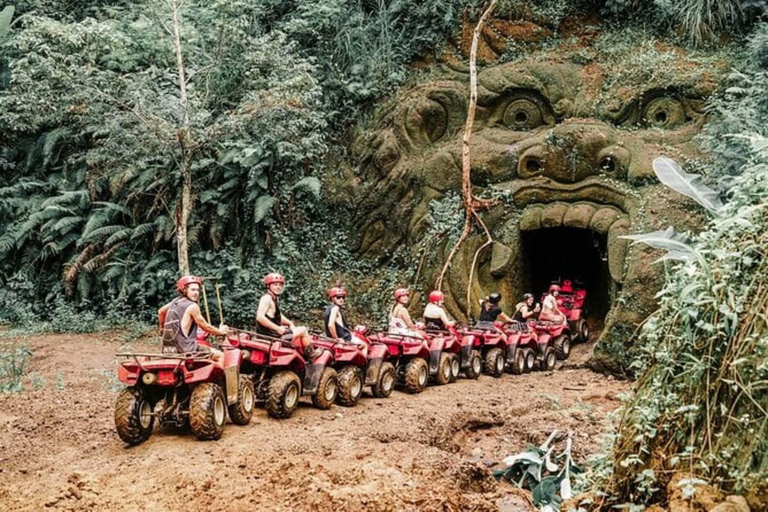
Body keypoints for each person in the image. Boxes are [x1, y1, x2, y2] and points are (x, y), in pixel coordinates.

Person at [158, 275, 229, 357]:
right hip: (186, 349)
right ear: (184, 290)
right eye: (193, 290)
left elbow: (160, 312)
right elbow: (206, 327)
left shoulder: (175, 302)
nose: (196, 293)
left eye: (198, 290)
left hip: (168, 350)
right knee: (221, 356)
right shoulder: (192, 306)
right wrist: (221, 331)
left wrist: (162, 327)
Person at [256, 272, 320, 360]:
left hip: (271, 334)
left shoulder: (273, 298)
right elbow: (259, 317)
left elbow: (278, 316)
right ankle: (311, 354)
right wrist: (277, 328)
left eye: (280, 285)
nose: (278, 287)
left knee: (293, 329)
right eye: (275, 285)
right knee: (303, 330)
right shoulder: (266, 299)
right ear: (268, 286)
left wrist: (289, 323)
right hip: (273, 337)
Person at [324, 286, 367, 357]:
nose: (341, 299)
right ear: (332, 298)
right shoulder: (335, 308)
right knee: (364, 345)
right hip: (344, 338)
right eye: (338, 297)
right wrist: (336, 339)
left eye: (343, 297)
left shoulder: (328, 309)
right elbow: (330, 325)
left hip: (331, 337)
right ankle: (364, 366)